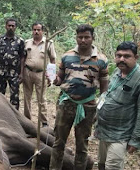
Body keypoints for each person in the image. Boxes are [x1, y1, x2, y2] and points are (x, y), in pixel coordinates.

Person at [49, 24, 109, 170]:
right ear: (76, 37)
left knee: (82, 146)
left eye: (86, 37)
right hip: (66, 104)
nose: (83, 40)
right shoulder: (67, 56)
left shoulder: (101, 60)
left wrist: (99, 109)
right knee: (58, 143)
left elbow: (104, 89)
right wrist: (52, 79)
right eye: (80, 37)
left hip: (87, 107)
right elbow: (59, 79)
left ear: (92, 38)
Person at [95, 41, 140, 170]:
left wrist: (135, 139)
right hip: (104, 130)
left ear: (135, 58)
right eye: (118, 55)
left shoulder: (138, 77)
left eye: (126, 56)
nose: (121, 59)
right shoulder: (116, 72)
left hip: (121, 134)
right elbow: (108, 94)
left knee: (112, 167)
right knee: (101, 164)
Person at [23, 22, 56, 127]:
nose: (36, 32)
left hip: (41, 74)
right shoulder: (27, 43)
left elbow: (52, 59)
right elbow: (23, 58)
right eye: (34, 30)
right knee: (27, 97)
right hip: (27, 72)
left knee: (41, 98)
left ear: (42, 31)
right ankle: (27, 120)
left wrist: (51, 76)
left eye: (38, 30)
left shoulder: (48, 43)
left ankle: (44, 122)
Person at [0, 18, 25, 110]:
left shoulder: (20, 41)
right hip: (1, 71)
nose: (10, 27)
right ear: (6, 26)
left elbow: (22, 57)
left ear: (15, 27)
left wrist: (22, 73)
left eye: (13, 26)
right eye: (9, 25)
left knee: (14, 96)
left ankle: (14, 117)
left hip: (14, 73)